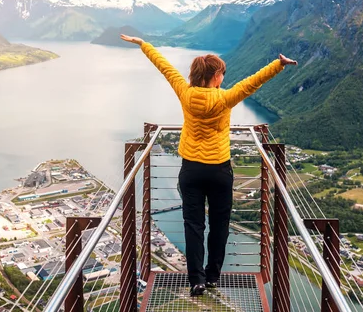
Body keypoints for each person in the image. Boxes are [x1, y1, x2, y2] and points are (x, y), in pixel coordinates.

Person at [120, 34, 297, 296]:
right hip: (219, 170)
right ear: (215, 77)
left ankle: (197, 280)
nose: (223, 79)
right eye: (222, 74)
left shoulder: (185, 92)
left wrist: (143, 44)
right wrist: (278, 64)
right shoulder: (224, 98)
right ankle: (213, 275)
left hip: (190, 170)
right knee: (220, 225)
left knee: (193, 225)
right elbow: (251, 84)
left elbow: (164, 67)